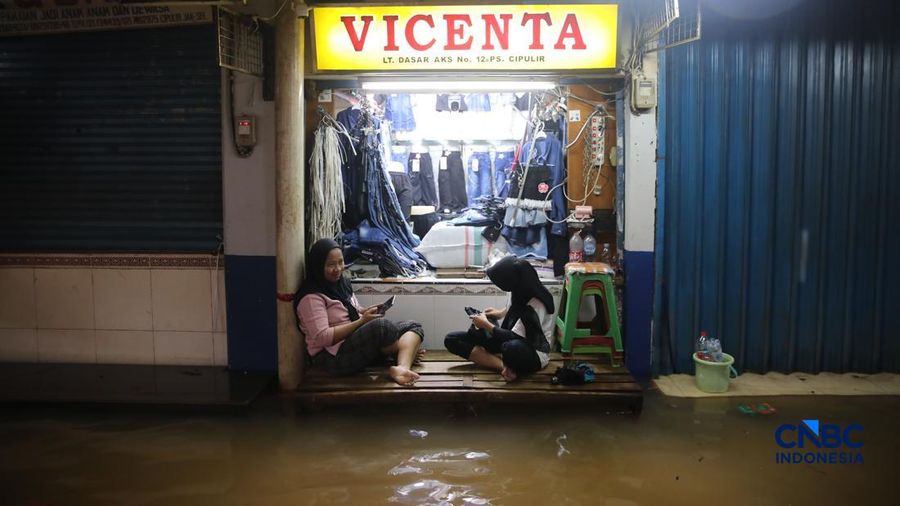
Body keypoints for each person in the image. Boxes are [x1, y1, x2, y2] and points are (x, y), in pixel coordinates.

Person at [294, 238, 424, 385]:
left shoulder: (340, 284)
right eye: (330, 265)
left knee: (413, 326)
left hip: (353, 342)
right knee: (382, 327)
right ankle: (404, 350)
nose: (337, 269)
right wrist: (361, 321)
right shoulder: (311, 297)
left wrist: (365, 311)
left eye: (340, 262)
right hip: (332, 357)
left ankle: (401, 367)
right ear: (317, 266)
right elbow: (322, 338)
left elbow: (352, 310)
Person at [444, 256, 556, 381]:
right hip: (507, 340)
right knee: (452, 339)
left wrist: (486, 324)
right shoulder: (520, 289)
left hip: (532, 352)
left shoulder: (536, 304)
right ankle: (503, 366)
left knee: (510, 348)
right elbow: (512, 308)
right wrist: (498, 314)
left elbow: (515, 337)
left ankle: (501, 360)